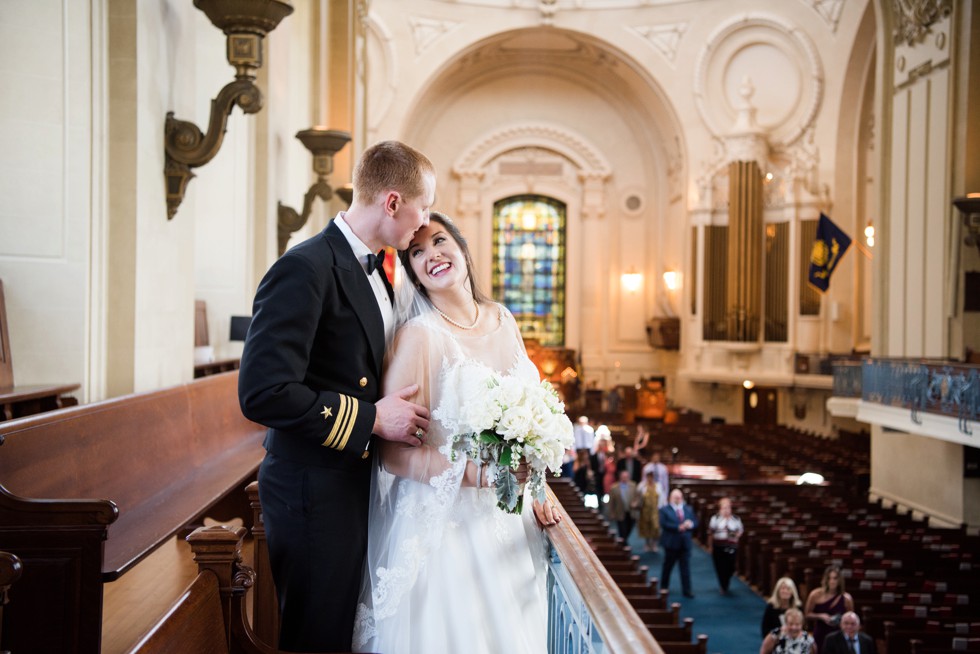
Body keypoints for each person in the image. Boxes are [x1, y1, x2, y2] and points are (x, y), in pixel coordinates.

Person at [238, 140, 436, 652]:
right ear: (393, 202)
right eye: (424, 205)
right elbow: (264, 392)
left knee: (342, 630)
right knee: (316, 636)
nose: (426, 221)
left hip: (350, 482)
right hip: (311, 489)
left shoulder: (381, 272)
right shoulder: (304, 267)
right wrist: (371, 418)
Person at [352, 212, 560, 653]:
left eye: (440, 241)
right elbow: (392, 455)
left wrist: (538, 488)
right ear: (413, 274)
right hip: (446, 531)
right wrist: (476, 475)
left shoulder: (504, 318)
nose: (433, 255)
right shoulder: (418, 338)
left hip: (510, 521)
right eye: (417, 252)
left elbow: (528, 424)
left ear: (463, 249)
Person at [659, 488, 698, 598]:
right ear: (671, 498)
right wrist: (677, 527)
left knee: (685, 568)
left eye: (680, 497)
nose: (678, 499)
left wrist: (691, 525)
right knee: (668, 566)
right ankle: (664, 587)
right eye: (676, 497)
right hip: (671, 543)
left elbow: (696, 522)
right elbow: (664, 524)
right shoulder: (665, 510)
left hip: (685, 543)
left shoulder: (688, 509)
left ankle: (687, 590)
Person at [804, 564, 855, 650]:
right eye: (829, 578)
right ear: (825, 579)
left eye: (835, 578)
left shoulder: (847, 598)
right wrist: (821, 616)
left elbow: (851, 619)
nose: (832, 581)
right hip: (820, 633)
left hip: (839, 634)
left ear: (839, 580)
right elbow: (807, 614)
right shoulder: (815, 594)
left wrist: (839, 620)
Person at [707, 497, 744, 594]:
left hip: (732, 546)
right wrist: (710, 546)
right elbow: (710, 533)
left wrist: (736, 536)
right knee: (720, 566)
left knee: (731, 566)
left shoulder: (736, 519)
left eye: (728, 508)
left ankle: (726, 581)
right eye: (724, 508)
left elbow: (740, 531)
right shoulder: (715, 518)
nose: (727, 510)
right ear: (720, 509)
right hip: (718, 546)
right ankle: (723, 585)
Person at [607, 469, 640, 541]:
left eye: (626, 477)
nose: (625, 478)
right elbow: (611, 502)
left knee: (629, 527)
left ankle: (624, 540)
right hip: (620, 511)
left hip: (631, 511)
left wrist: (635, 503)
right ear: (620, 477)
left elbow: (637, 497)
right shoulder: (614, 488)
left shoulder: (633, 485)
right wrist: (611, 513)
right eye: (623, 477)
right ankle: (624, 543)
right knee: (622, 529)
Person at [636, 469, 661, 552]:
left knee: (655, 527)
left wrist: (660, 508)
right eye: (648, 477)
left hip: (655, 511)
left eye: (651, 477)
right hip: (645, 510)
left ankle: (654, 544)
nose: (650, 479)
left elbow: (662, 498)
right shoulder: (642, 486)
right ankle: (647, 543)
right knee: (646, 526)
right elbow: (638, 496)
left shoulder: (658, 486)